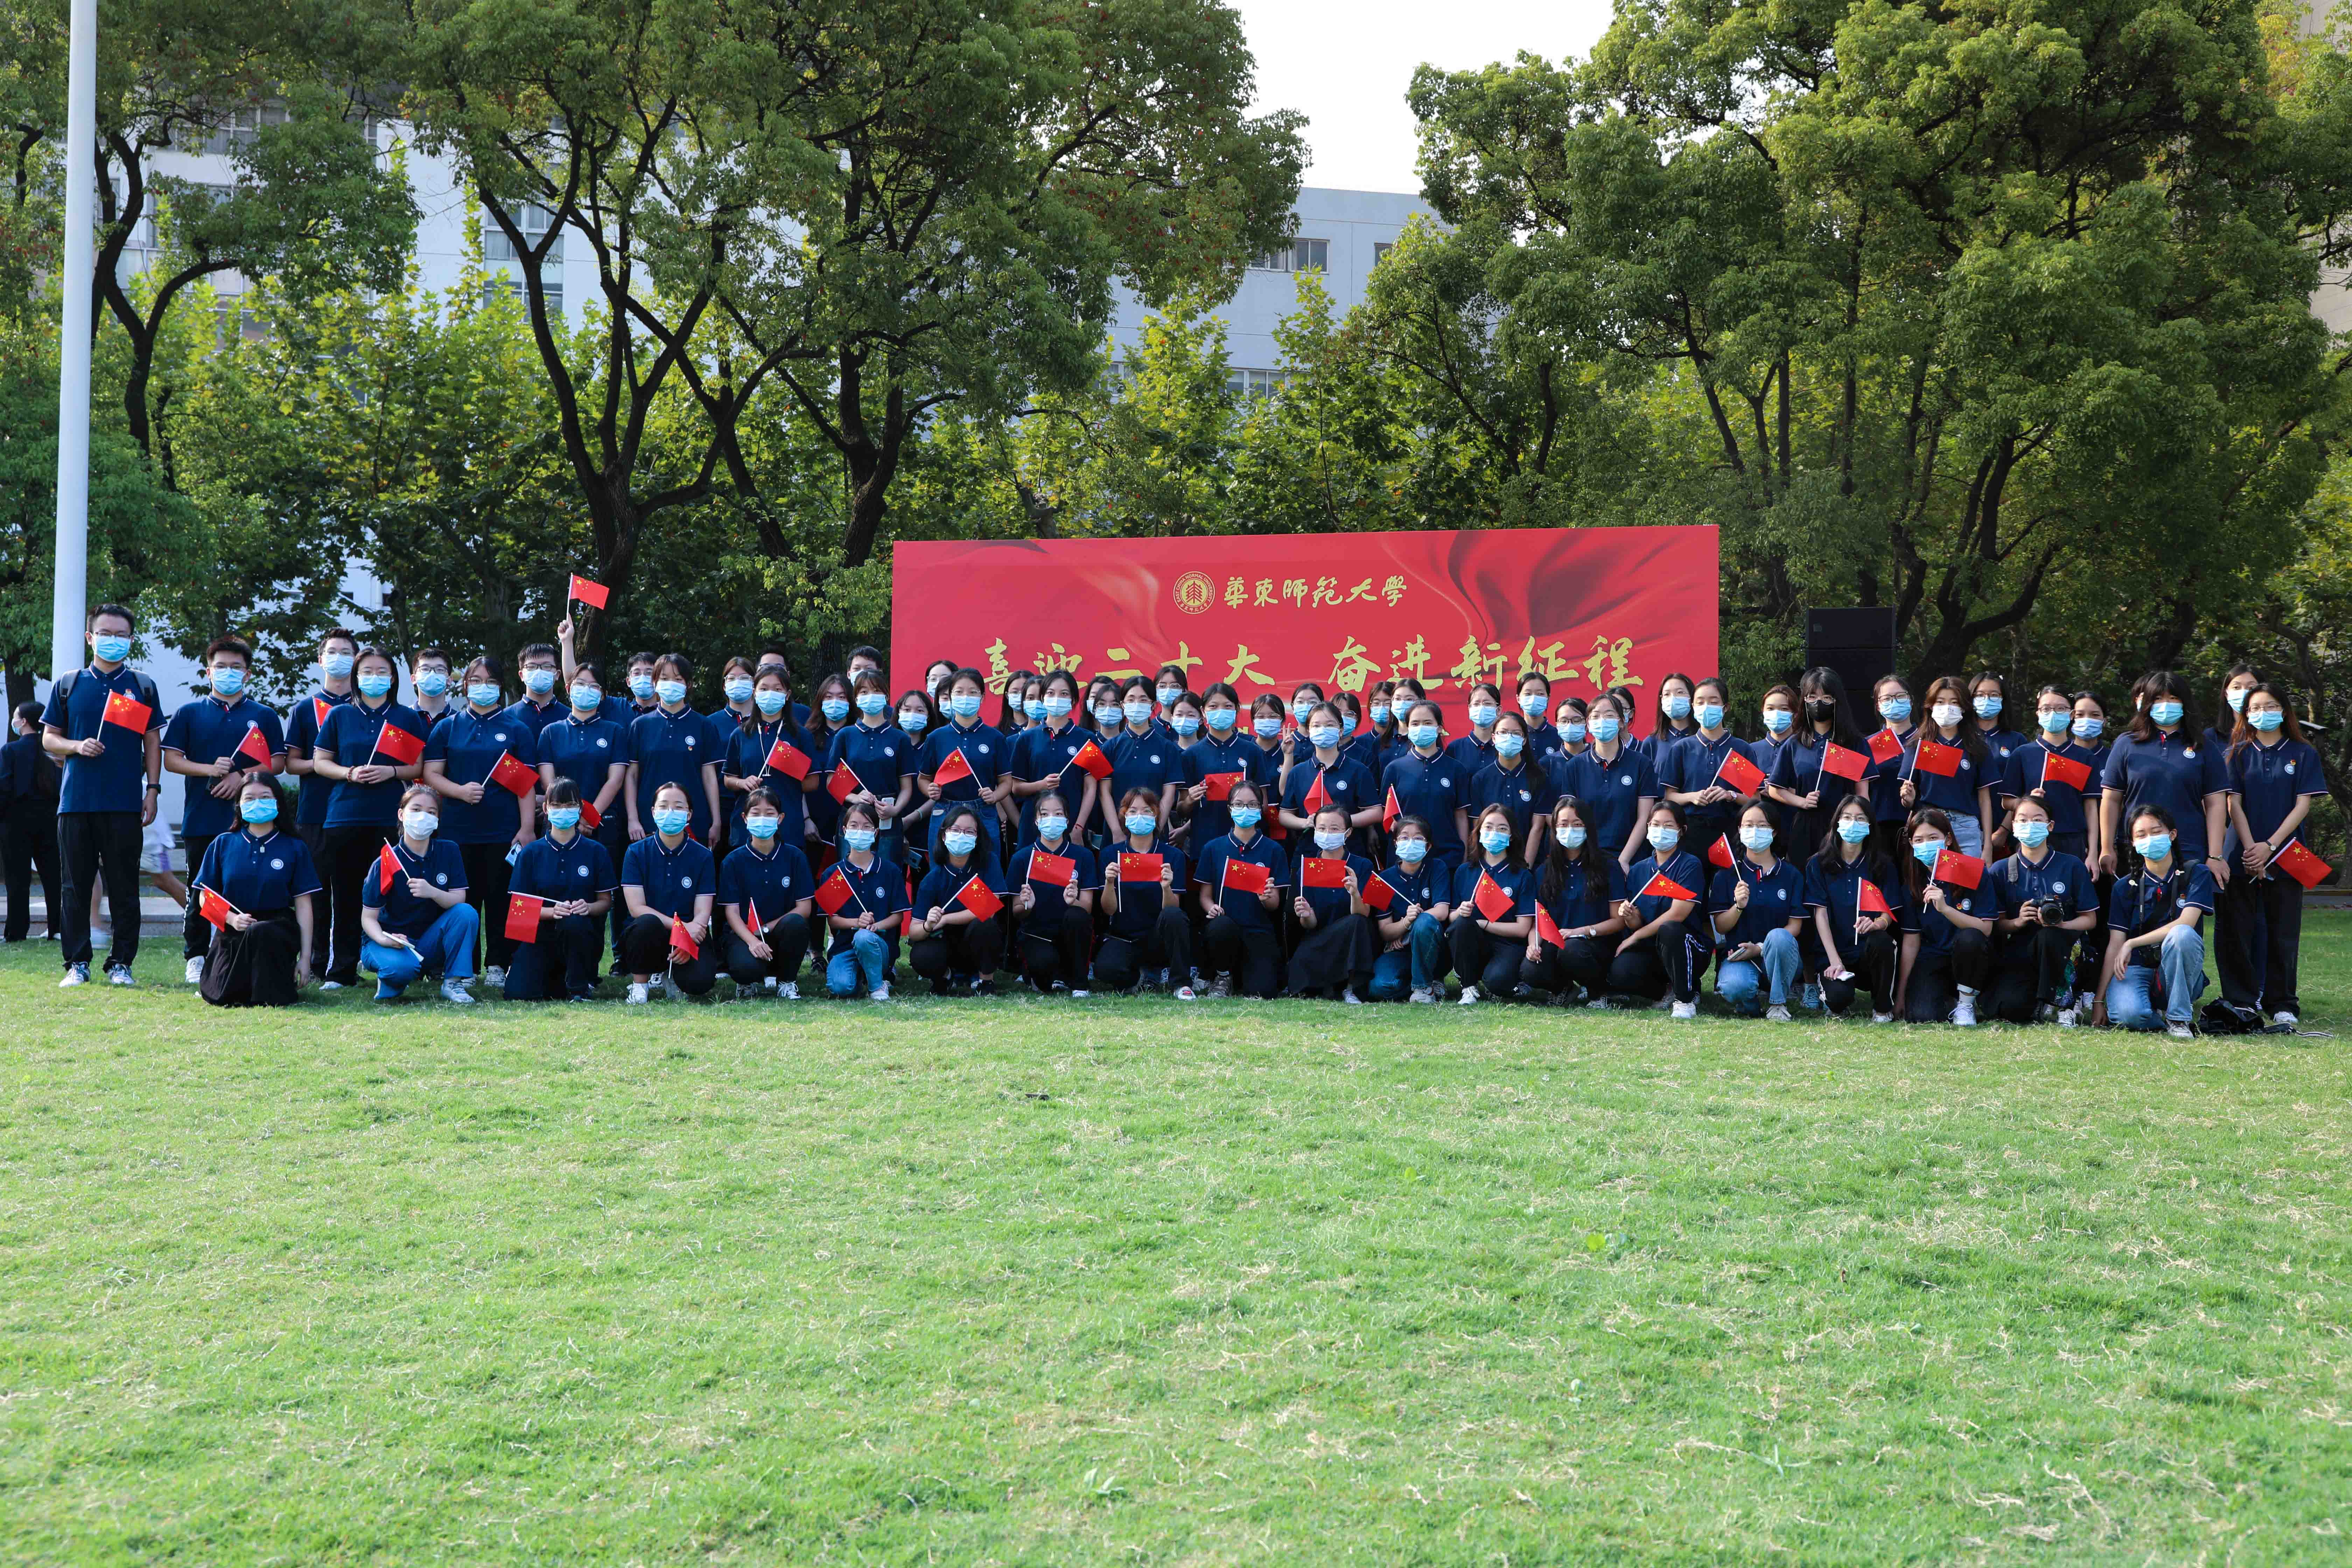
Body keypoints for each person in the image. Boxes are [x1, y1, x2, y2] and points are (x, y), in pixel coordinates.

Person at [39, 603, 164, 987]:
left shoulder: (142, 685)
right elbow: (49, 738)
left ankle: (121, 963)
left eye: (121, 635)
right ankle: (77, 963)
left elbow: (152, 742)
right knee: (74, 887)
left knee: (125, 887)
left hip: (125, 803)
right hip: (76, 803)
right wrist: (77, 746)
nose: (113, 640)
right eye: (106, 634)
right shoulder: (69, 683)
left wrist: (153, 790)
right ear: (90, 637)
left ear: (131, 639)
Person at [161, 635, 287, 985]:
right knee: (201, 891)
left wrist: (240, 777)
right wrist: (210, 770)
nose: (228, 672)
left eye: (236, 667)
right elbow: (172, 760)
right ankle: (196, 955)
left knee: (250, 887)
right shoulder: (190, 713)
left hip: (253, 822)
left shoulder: (263, 716)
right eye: (221, 667)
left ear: (247, 674)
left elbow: (277, 762)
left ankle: (243, 951)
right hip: (202, 818)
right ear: (208, 671)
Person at [307, 645, 428, 989]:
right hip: (344, 818)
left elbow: (418, 766)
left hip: (391, 819)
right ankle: (342, 970)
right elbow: (320, 762)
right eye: (367, 672)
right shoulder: (340, 715)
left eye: (382, 672)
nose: (375, 678)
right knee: (346, 896)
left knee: (392, 896)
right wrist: (349, 773)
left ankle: (397, 964)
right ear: (357, 677)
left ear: (393, 678)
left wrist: (391, 771)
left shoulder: (406, 717)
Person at [422, 656, 538, 988]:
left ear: (501, 686)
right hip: (457, 833)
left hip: (504, 831)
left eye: (490, 681)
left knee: (502, 899)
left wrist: (527, 828)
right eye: (475, 680)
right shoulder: (448, 727)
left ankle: (499, 964)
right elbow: (431, 774)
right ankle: (466, 967)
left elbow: (525, 785)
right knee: (464, 901)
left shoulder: (517, 729)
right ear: (465, 686)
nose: (482, 687)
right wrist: (459, 791)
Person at [2219, 684, 2327, 1026]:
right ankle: (2242, 999)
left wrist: (2270, 846)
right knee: (2238, 929)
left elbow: (2303, 805)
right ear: (2246, 713)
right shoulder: (2236, 753)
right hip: (2242, 854)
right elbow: (2233, 803)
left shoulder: (2303, 753)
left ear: (2284, 710)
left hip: (2290, 854)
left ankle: (2283, 1003)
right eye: (2255, 708)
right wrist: (2252, 847)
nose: (2262, 713)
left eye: (2270, 706)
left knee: (2284, 931)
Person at [191, 776, 318, 1007]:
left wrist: (306, 959)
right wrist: (232, 919)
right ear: (239, 804)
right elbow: (204, 897)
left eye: (265, 797)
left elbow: (303, 905)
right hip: (234, 928)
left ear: (278, 802)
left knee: (261, 932)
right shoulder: (223, 843)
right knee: (219, 994)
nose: (257, 803)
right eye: (249, 798)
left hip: (277, 928)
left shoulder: (295, 847)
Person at [2098, 671, 2230, 891]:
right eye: (2158, 699)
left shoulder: (2204, 747)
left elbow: (2216, 804)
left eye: (2173, 698)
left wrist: (2216, 855)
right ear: (2148, 703)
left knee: (2187, 912)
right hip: (2137, 848)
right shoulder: (2126, 744)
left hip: (2189, 849)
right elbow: (2111, 799)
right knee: (2137, 910)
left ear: (2185, 703)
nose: (2166, 705)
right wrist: (2107, 847)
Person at [2098, 804, 2215, 1037]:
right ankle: (2156, 1015)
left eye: (2156, 832)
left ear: (2172, 835)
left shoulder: (2196, 874)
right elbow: (2115, 944)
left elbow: (2187, 922)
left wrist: (2132, 943)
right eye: (2141, 835)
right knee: (2126, 1016)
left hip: (2178, 968)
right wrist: (2098, 1001)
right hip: (2137, 966)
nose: (2150, 839)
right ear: (2133, 843)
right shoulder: (2124, 887)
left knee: (2182, 934)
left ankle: (2178, 1019)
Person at [358, 783, 477, 1004]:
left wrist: (432, 892)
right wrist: (385, 940)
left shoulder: (449, 851)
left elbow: (459, 899)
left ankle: (453, 983)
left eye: (431, 812)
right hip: (390, 941)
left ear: (438, 819)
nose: (424, 817)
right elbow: (368, 918)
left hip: (427, 942)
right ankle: (392, 974)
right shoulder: (385, 862)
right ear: (401, 815)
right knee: (401, 968)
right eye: (416, 810)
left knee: (466, 913)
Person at [1986, 792, 2097, 1024]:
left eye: (2037, 820)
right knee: (2010, 1009)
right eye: (2023, 820)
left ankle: (2065, 1002)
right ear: (2013, 826)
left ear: (2050, 826)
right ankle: (2039, 1002)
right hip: (2021, 952)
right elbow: (1997, 925)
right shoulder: (2000, 870)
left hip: (2065, 949)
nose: (2030, 826)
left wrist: (2062, 924)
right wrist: (2018, 922)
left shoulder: (2071, 865)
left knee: (2050, 935)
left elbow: (2090, 919)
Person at [283, 628, 357, 978]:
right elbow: (290, 764)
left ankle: (347, 963)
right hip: (315, 812)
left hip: (356, 813)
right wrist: (325, 764)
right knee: (316, 890)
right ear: (321, 659)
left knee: (352, 890)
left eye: (346, 652)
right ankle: (314, 959)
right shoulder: (304, 709)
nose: (339, 658)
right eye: (332, 652)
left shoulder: (366, 709)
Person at [504, 778, 618, 1002]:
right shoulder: (531, 854)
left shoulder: (597, 852)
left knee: (573, 922)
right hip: (539, 938)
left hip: (581, 936)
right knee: (518, 994)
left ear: (580, 809)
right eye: (557, 805)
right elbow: (518, 910)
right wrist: (552, 912)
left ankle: (579, 988)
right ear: (546, 808)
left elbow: (606, 902)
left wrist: (588, 908)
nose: (563, 811)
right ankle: (551, 979)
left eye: (570, 805)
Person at [1518, 796, 1626, 1006]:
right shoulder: (1544, 871)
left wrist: (1582, 931)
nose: (1570, 830)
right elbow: (1538, 921)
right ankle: (1565, 989)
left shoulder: (1608, 866)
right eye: (1564, 825)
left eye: (1577, 824)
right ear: (1555, 829)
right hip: (1559, 943)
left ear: (1588, 828)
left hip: (1597, 943)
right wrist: (1534, 945)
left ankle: (1599, 993)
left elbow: (1619, 921)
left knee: (1573, 950)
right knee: (1530, 969)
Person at [618, 780, 718, 1003]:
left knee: (700, 983)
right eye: (663, 807)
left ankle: (669, 975)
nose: (670, 812)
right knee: (645, 924)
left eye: (678, 807)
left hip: (691, 931)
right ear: (653, 812)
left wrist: (688, 937)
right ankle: (640, 985)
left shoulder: (703, 856)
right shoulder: (636, 853)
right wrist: (681, 930)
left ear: (689, 815)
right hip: (653, 932)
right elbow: (636, 908)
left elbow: (703, 911)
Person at [1805, 795, 1901, 1021]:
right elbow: (1820, 915)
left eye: (1860, 819)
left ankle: (1882, 1009)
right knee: (1838, 1000)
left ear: (1870, 825)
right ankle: (1834, 993)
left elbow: (1888, 913)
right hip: (1833, 955)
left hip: (1868, 952)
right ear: (1837, 822)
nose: (1853, 824)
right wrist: (1834, 960)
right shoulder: (1818, 864)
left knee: (1883, 941)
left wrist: (1877, 924)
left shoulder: (1882, 864)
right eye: (1847, 817)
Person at [1893, 807, 1992, 1026]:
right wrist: (1901, 995)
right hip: (1933, 958)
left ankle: (1966, 1004)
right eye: (1919, 840)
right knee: (1922, 1016)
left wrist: (1946, 909)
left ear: (1948, 839)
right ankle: (1949, 1001)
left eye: (1933, 838)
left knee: (1970, 938)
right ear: (1911, 844)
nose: (1926, 844)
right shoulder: (1912, 883)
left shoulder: (1974, 872)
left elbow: (1985, 929)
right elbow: (1911, 941)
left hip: (1969, 957)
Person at [1609, 802, 1708, 1017]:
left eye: (1668, 826)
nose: (1661, 830)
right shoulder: (1639, 870)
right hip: (1652, 949)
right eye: (1655, 825)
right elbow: (1638, 922)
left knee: (1670, 930)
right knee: (1620, 972)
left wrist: (1636, 936)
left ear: (1681, 831)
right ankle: (1666, 991)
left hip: (1686, 946)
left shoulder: (1690, 865)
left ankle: (1685, 999)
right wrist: (1630, 916)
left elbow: (1677, 914)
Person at [1767, 667, 1869, 873]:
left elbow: (1863, 794)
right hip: (1805, 828)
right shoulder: (1794, 743)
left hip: (1843, 827)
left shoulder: (1854, 743)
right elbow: (1775, 789)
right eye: (1812, 697)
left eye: (1826, 698)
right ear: (1804, 700)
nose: (1818, 703)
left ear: (1837, 701)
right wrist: (1802, 802)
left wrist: (1857, 824)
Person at [718, 784, 815, 999]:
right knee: (746, 969)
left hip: (779, 933)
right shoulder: (732, 861)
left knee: (797, 924)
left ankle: (786, 981)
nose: (763, 819)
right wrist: (752, 940)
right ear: (745, 818)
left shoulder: (795, 857)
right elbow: (732, 913)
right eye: (756, 813)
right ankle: (747, 982)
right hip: (744, 935)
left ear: (781, 818)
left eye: (770, 814)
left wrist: (765, 930)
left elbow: (804, 908)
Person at [1710, 802, 1805, 1019]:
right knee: (1735, 987)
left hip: (1781, 957)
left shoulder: (1791, 875)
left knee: (1779, 937)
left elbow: (1795, 926)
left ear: (1774, 831)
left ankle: (1778, 1004)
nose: (1755, 831)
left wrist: (1761, 948)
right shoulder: (1727, 875)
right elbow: (1721, 926)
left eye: (1762, 826)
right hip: (1740, 958)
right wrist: (1738, 906)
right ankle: (1750, 1006)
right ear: (1740, 830)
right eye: (1749, 825)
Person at [1094, 789, 1193, 997]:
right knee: (1105, 970)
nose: (1140, 816)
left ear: (1156, 815)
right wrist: (1109, 882)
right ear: (1124, 815)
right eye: (1133, 811)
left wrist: (1166, 887)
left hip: (1159, 938)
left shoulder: (1173, 856)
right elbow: (1109, 910)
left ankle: (1181, 983)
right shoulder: (1111, 855)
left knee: (1175, 916)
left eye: (1147, 811)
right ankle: (1143, 977)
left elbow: (1173, 910)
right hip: (1125, 938)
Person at [1195, 779, 1287, 998]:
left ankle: (1242, 975)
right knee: (1220, 927)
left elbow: (1275, 904)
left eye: (1252, 805)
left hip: (1258, 931)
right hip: (1224, 929)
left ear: (1261, 809)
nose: (1245, 809)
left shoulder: (1274, 850)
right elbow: (1205, 896)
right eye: (1239, 804)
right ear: (1230, 809)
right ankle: (1223, 976)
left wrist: (1267, 898)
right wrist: (1211, 908)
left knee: (1263, 991)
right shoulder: (1213, 848)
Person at [1553, 693, 1658, 877]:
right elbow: (1570, 819)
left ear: (1621, 722)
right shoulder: (1575, 767)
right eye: (1595, 716)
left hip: (1630, 860)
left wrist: (1623, 860)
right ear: (1588, 723)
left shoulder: (1641, 764)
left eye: (1609, 715)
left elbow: (1644, 818)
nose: (1602, 721)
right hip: (1587, 860)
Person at [908, 805, 1008, 995]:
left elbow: (989, 910)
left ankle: (986, 981)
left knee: (985, 924)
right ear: (944, 836)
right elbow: (914, 931)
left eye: (969, 832)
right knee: (921, 955)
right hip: (946, 945)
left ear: (977, 838)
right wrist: (929, 925)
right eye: (955, 830)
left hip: (978, 942)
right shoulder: (933, 879)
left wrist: (946, 919)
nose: (962, 836)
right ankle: (945, 977)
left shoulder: (989, 863)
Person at [1008, 788, 1100, 992]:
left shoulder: (1083, 856)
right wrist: (1027, 905)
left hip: (1070, 934)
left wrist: (1074, 901)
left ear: (1067, 820)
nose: (1052, 819)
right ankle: (1042, 973)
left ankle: (1080, 983)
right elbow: (1016, 911)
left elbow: (1087, 908)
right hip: (1038, 936)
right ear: (1036, 821)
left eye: (1058, 814)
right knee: (1044, 971)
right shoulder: (1022, 858)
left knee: (1077, 916)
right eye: (1045, 814)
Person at [627, 654, 723, 849]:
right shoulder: (640, 726)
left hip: (695, 822)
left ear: (689, 685)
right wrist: (633, 819)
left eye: (678, 679)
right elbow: (632, 777)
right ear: (655, 683)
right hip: (649, 822)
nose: (671, 684)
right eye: (664, 678)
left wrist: (716, 821)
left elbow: (709, 777)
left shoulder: (704, 726)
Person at [1658, 676, 1758, 860]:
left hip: (1731, 833)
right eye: (1700, 702)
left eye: (1714, 702)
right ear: (1693, 706)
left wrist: (1730, 795)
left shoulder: (1741, 749)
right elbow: (1670, 796)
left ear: (1726, 707)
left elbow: (1755, 799)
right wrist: (1693, 797)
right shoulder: (1682, 748)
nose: (1706, 707)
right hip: (1691, 833)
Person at [722, 665, 818, 857]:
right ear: (755, 693)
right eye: (764, 689)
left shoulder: (801, 735)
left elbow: (813, 782)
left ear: (787, 695)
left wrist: (789, 774)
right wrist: (742, 782)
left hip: (788, 824)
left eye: (777, 689)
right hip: (748, 825)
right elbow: (728, 779)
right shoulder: (740, 734)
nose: (770, 694)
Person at [917, 669, 1013, 861]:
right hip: (945, 810)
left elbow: (1006, 782)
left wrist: (995, 796)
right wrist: (930, 790)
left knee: (987, 868)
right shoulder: (936, 738)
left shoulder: (995, 738)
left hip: (983, 811)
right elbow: (923, 779)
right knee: (942, 868)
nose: (966, 697)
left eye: (973, 692)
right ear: (951, 696)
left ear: (982, 698)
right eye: (959, 692)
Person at [1896, 676, 1996, 858]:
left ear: (1964, 707)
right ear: (1931, 706)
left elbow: (1985, 799)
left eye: (1954, 702)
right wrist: (1907, 799)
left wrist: (1988, 845)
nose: (1947, 708)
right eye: (1941, 702)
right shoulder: (1918, 745)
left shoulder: (1977, 747)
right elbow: (1908, 799)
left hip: (1966, 827)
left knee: (1966, 877)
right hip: (1927, 826)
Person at [1286, 803, 1377, 1002]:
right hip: (1320, 940)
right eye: (1322, 828)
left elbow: (1363, 914)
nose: (1328, 834)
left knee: (1357, 922)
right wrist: (1306, 914)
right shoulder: (1307, 868)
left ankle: (1351, 988)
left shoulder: (1363, 865)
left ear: (1348, 833)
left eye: (1335, 829)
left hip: (1352, 941)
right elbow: (1309, 925)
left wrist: (1355, 894)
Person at [1447, 803, 1534, 1005]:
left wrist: (1484, 924)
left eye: (1502, 829)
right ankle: (1468, 987)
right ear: (1479, 832)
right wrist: (1461, 912)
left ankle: (1510, 982)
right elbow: (1451, 918)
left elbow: (1522, 929)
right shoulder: (1465, 871)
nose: (1494, 833)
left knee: (1497, 982)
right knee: (1461, 924)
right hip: (1473, 943)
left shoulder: (1523, 875)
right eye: (1488, 827)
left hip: (1508, 945)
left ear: (1511, 836)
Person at [821, 797, 907, 1000]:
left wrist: (876, 927)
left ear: (876, 833)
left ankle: (877, 986)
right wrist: (856, 922)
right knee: (841, 988)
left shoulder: (890, 871)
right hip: (845, 948)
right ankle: (861, 975)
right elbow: (832, 920)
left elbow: (898, 916)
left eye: (867, 827)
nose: (860, 831)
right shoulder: (834, 874)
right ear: (845, 831)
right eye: (854, 826)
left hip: (879, 945)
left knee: (864, 938)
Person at [1364, 816, 1452, 1003]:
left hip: (1435, 949)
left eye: (1418, 838)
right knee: (1379, 988)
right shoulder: (1382, 879)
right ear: (1395, 843)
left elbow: (1442, 911)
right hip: (1400, 953)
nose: (1411, 842)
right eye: (1404, 837)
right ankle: (1423, 982)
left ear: (1428, 846)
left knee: (1425, 921)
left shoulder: (1438, 867)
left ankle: (1423, 989)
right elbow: (1385, 932)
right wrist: (1405, 922)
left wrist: (1408, 932)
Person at [1009, 670, 1101, 848]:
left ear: (1073, 700)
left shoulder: (1087, 739)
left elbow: (1091, 788)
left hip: (1071, 825)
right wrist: (1041, 785)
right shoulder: (1027, 738)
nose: (1057, 699)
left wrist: (1079, 828)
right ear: (1043, 698)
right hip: (1034, 825)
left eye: (1064, 694)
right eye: (1051, 693)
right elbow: (1016, 788)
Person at [1380, 700, 1471, 877]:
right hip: (1405, 860)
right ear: (1408, 728)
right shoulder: (1395, 769)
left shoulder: (1456, 769)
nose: (1421, 728)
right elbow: (1387, 815)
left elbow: (1461, 817)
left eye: (1428, 723)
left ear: (1439, 728)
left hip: (1447, 858)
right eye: (1415, 724)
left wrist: (1464, 856)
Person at [1180, 682, 1275, 851]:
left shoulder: (1253, 751)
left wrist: (1247, 805)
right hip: (1204, 841)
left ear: (1237, 709)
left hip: (1248, 843)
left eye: (1227, 706)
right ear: (1203, 712)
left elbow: (1264, 805)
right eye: (1213, 707)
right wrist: (1190, 799)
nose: (1220, 711)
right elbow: (1181, 809)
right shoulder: (1191, 755)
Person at [1277, 701, 1379, 848]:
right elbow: (1285, 815)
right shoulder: (1298, 772)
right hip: (1309, 850)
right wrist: (1305, 823)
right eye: (1316, 726)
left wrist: (1342, 821)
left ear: (1341, 730)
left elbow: (1375, 812)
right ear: (1309, 731)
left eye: (1330, 725)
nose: (1323, 730)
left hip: (1348, 850)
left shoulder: (1358, 770)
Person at [1, 701, 63, 941]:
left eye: (16, 717)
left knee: (17, 880)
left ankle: (16, 931)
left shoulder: (10, 751)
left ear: (24, 722)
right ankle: (57, 927)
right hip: (51, 820)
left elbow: (4, 788)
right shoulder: (53, 750)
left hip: (16, 823)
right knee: (53, 877)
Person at [1098, 678, 1184, 844]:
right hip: (1117, 836)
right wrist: (1117, 832)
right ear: (1123, 705)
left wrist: (1157, 829)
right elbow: (1104, 793)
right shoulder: (1110, 748)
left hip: (1156, 836)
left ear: (1153, 705)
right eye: (1131, 700)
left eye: (1143, 700)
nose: (1137, 704)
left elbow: (1168, 795)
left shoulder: (1168, 748)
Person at [1469, 712, 1555, 862]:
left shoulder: (1539, 777)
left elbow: (1538, 827)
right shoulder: (1481, 779)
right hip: (1490, 861)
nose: (1509, 738)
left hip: (1528, 861)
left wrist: (1526, 866)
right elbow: (1478, 826)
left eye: (1516, 734)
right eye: (1503, 733)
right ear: (1494, 738)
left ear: (1524, 739)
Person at [1865, 676, 1919, 856]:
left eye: (1900, 696)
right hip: (1879, 830)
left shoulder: (1927, 740)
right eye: (1887, 699)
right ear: (1878, 706)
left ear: (1911, 699)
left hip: (1922, 828)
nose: (1894, 702)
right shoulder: (1868, 745)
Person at [504, 642, 567, 741]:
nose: (539, 671)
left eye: (547, 666)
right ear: (522, 675)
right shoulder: (506, 717)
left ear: (557, 675)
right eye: (531, 667)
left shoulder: (569, 717)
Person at [1968, 671, 2029, 771]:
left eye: (1994, 695)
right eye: (1980, 695)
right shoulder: (1962, 737)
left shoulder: (2017, 740)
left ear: (2003, 699)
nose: (1987, 700)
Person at [1640, 672, 1701, 766]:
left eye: (1680, 692)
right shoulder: (1651, 743)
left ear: (1692, 698)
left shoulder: (1703, 738)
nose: (1673, 699)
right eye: (1667, 694)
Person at [2208, 664, 2260, 754]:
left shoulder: (2272, 735)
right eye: (2236, 687)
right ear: (2226, 693)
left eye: (2251, 688)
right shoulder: (2212, 737)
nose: (2244, 692)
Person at [409, 646, 454, 726]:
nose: (432, 674)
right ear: (414, 679)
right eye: (425, 669)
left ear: (449, 680)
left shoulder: (460, 721)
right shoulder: (402, 719)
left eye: (440, 670)